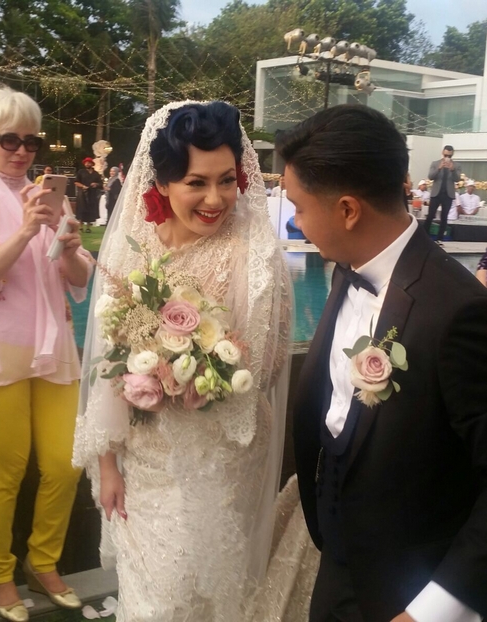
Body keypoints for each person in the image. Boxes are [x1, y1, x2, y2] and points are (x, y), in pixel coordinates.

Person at [73, 101, 295, 622]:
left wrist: (190, 371)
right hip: (144, 463)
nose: (216, 199)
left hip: (222, 464)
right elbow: (108, 361)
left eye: (227, 180)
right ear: (163, 182)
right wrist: (107, 464)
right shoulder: (134, 247)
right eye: (197, 182)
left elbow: (263, 367)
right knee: (150, 601)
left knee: (198, 599)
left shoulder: (254, 254)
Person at [276, 104, 487, 622]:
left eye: (299, 207)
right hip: (337, 558)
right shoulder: (347, 268)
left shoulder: (458, 312)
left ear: (348, 210)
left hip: (410, 586)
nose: (295, 222)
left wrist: (434, 610)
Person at [0, 86, 93, 621]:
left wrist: (68, 245)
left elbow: (79, 279)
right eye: (9, 139)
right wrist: (28, 229)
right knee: (3, 471)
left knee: (65, 462)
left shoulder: (51, 196)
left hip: (54, 346)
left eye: (32, 140)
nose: (22, 150)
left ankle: (43, 560)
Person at [424, 145, 461, 244]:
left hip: (448, 194)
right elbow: (430, 177)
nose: (447, 157)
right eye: (445, 155)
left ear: (452, 154)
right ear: (442, 153)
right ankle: (424, 237)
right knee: (430, 215)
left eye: (449, 156)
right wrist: (439, 168)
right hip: (436, 193)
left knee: (444, 217)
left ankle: (439, 239)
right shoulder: (435, 163)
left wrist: (452, 170)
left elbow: (457, 179)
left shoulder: (456, 165)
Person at [75, 157, 103, 232]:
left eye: (89, 163)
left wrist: (96, 184)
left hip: (92, 194)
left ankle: (88, 227)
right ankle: (80, 227)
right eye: (86, 163)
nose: (87, 164)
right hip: (82, 194)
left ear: (92, 164)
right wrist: (83, 186)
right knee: (81, 209)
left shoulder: (96, 174)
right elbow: (76, 182)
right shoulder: (81, 172)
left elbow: (101, 184)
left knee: (90, 210)